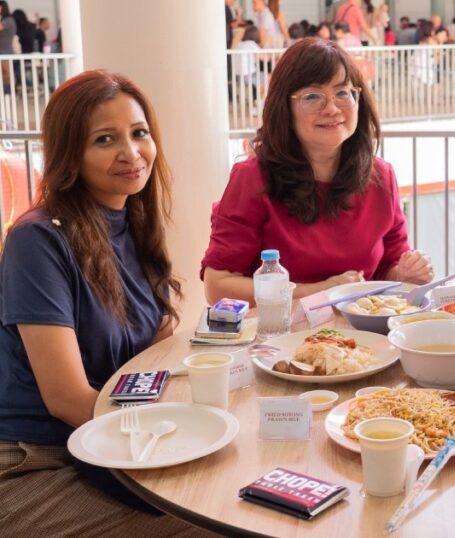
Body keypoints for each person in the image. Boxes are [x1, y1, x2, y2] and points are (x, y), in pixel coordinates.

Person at [0, 70, 205, 535]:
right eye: (105, 139)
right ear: (70, 153)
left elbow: (155, 362)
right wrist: (168, 437)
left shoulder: (134, 223)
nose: (131, 153)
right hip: (34, 461)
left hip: (107, 445)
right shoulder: (37, 240)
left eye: (139, 133)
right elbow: (68, 399)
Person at [203, 38, 432, 305]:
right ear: (284, 108)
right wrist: (320, 291)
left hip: (361, 339)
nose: (332, 108)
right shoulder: (253, 178)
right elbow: (218, 285)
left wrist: (405, 273)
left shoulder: (380, 177)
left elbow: (386, 267)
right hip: (280, 338)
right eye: (312, 97)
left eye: (343, 93)